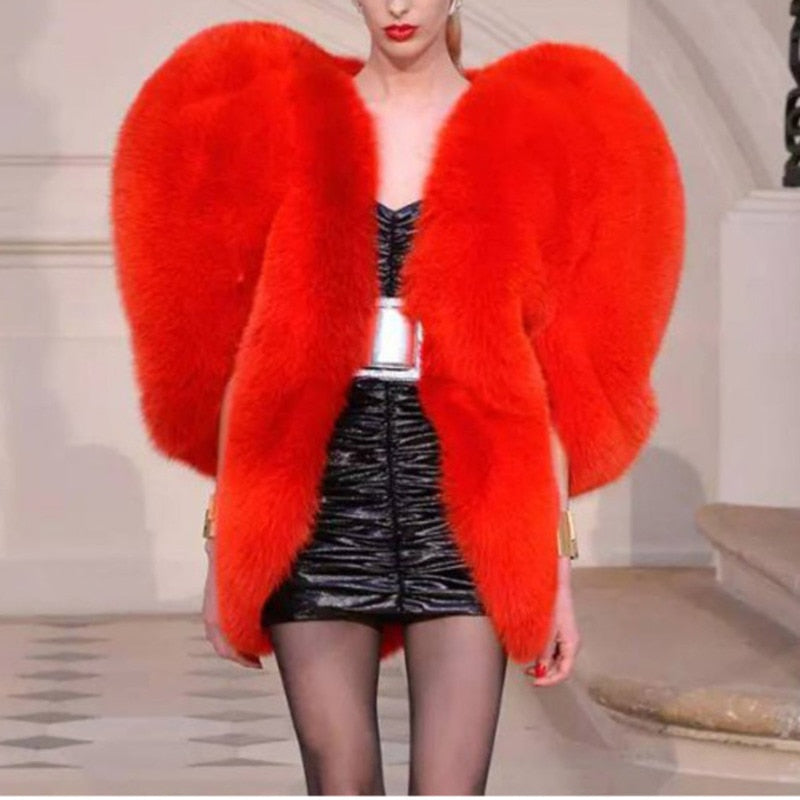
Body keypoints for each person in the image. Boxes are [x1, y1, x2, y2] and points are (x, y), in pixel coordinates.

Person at [110, 0, 685, 794]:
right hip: (320, 505)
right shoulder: (294, 127)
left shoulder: (518, 134)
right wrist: (226, 546)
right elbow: (251, 358)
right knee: (339, 782)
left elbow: (542, 381)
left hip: (466, 508)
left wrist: (553, 570)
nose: (400, 5)